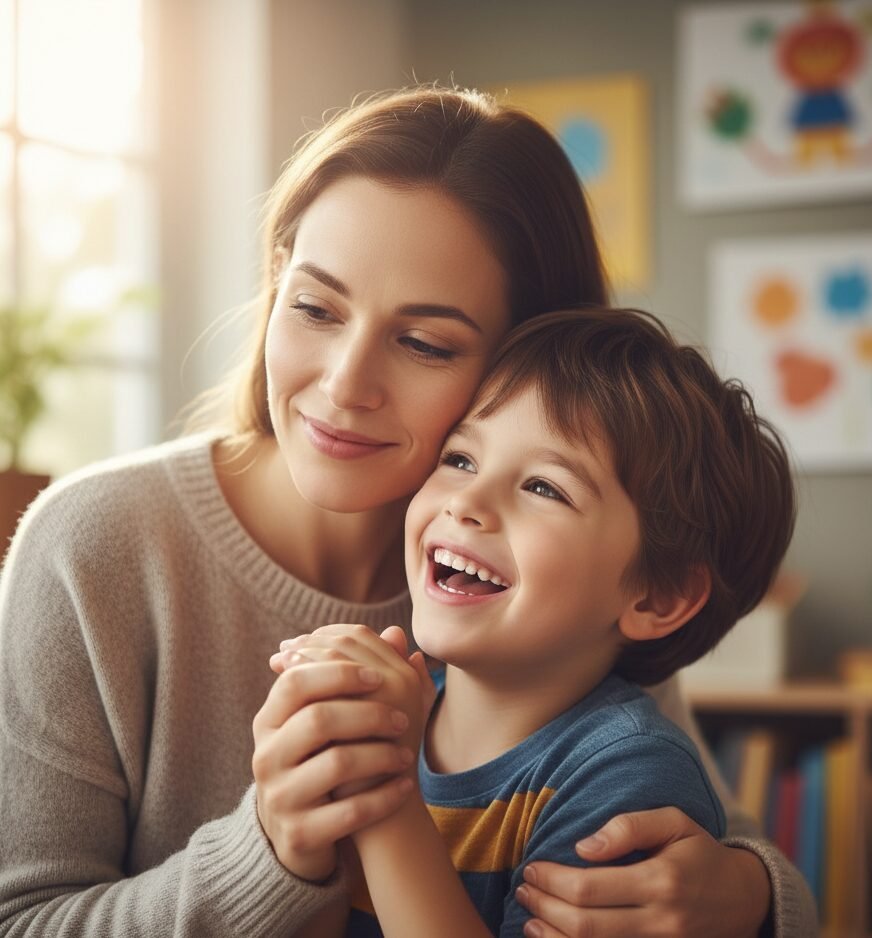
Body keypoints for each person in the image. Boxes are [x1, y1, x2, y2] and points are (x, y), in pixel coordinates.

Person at [0, 86, 816, 937]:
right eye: (315, 307)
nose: (345, 384)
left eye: (426, 343)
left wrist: (748, 896)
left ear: (530, 366)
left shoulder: (546, 592)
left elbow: (701, 836)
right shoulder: (93, 546)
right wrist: (268, 852)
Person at [271, 306, 795, 937]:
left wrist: (381, 796)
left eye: (544, 487)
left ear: (657, 598)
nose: (466, 502)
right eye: (461, 458)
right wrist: (297, 847)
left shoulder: (628, 777)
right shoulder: (401, 712)